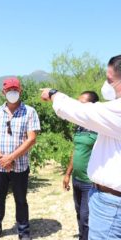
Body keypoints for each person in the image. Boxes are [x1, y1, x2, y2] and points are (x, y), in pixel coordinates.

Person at [41, 54, 121, 239]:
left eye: (110, 80)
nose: (106, 85)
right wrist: (68, 173)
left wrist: (54, 94)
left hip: (112, 205)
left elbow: (79, 111)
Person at [0, 77, 40, 240]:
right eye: (9, 90)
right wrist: (1, 158)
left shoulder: (29, 111)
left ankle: (23, 231)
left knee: (21, 200)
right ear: (3, 92)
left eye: (15, 90)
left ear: (20, 91)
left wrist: (11, 158)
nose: (12, 93)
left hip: (19, 166)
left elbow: (31, 139)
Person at [63, 91, 99, 240]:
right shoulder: (79, 126)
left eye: (82, 104)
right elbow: (76, 151)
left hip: (90, 182)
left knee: (86, 217)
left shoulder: (100, 128)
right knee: (79, 213)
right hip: (77, 180)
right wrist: (67, 174)